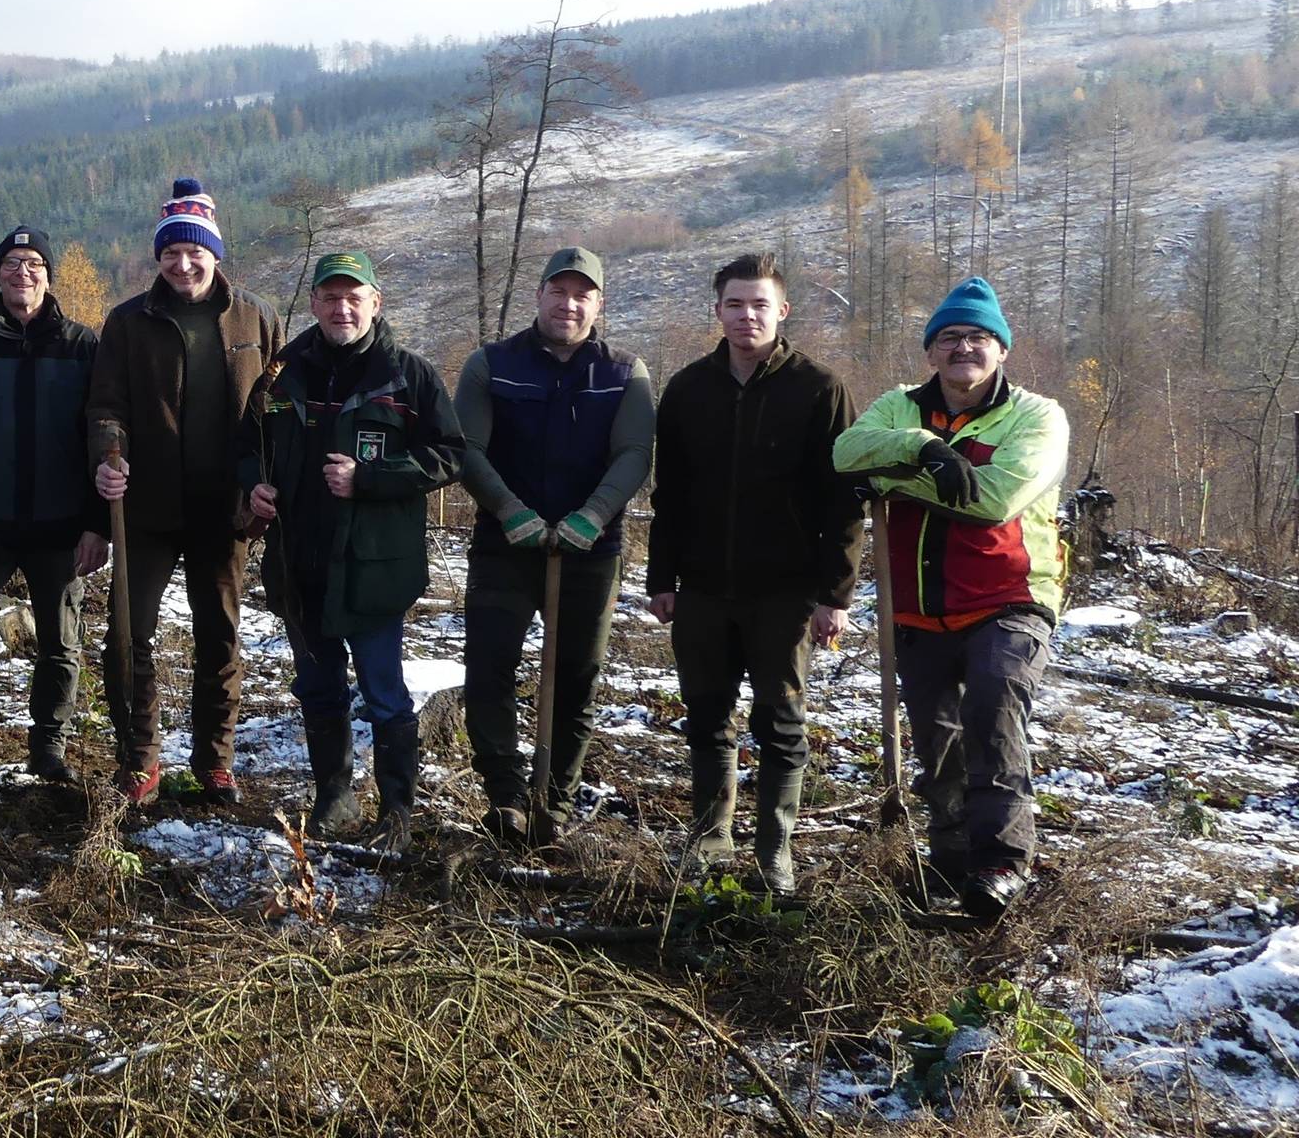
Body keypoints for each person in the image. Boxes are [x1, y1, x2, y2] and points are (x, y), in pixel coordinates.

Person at [833, 277, 1068, 918]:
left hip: (1009, 597)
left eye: (978, 337)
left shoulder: (1038, 416)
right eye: (950, 338)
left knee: (993, 708)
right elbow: (847, 453)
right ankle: (950, 864)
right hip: (916, 604)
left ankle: (1001, 863)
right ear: (931, 351)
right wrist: (922, 448)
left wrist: (898, 484)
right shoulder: (897, 408)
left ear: (1001, 350)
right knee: (934, 739)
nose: (964, 347)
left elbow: (994, 498)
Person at [646, 253, 863, 891]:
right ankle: (710, 840)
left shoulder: (820, 389)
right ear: (717, 311)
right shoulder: (688, 389)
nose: (747, 316)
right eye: (735, 304)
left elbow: (843, 500)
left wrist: (835, 594)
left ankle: (775, 851)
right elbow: (672, 494)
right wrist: (663, 578)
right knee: (708, 717)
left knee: (781, 722)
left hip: (787, 593)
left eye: (759, 304)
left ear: (782, 311)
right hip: (705, 589)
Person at [239, 253, 464, 850]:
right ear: (313, 304)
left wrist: (373, 476)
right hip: (299, 562)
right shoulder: (283, 375)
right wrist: (253, 486)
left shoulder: (409, 377)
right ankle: (334, 796)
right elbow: (249, 442)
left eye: (353, 297)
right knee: (317, 688)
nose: (342, 309)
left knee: (385, 692)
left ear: (375, 303)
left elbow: (449, 456)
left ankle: (396, 812)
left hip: (372, 570)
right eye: (330, 298)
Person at [87, 178, 283, 805]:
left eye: (194, 250)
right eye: (171, 252)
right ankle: (140, 758)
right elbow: (105, 406)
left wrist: (263, 484)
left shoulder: (257, 317)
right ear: (159, 257)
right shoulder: (127, 323)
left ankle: (215, 762)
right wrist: (108, 455)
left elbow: (275, 408)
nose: (183, 263)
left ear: (215, 253)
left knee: (220, 637)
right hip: (144, 512)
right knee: (126, 632)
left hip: (224, 512)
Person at [455, 247, 655, 843]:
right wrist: (509, 510)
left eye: (582, 294)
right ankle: (506, 797)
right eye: (558, 291)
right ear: (538, 295)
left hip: (591, 551)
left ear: (598, 303)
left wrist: (593, 516)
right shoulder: (491, 364)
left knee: (577, 676)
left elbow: (633, 454)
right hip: (503, 546)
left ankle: (557, 801)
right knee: (489, 669)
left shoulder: (625, 372)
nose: (569, 304)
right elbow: (467, 448)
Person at [0, 226, 107, 796]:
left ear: (48, 274)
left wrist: (96, 526)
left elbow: (103, 443)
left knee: (62, 644)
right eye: (11, 263)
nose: (21, 273)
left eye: (33, 263)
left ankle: (49, 749)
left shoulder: (85, 348)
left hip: (60, 531)